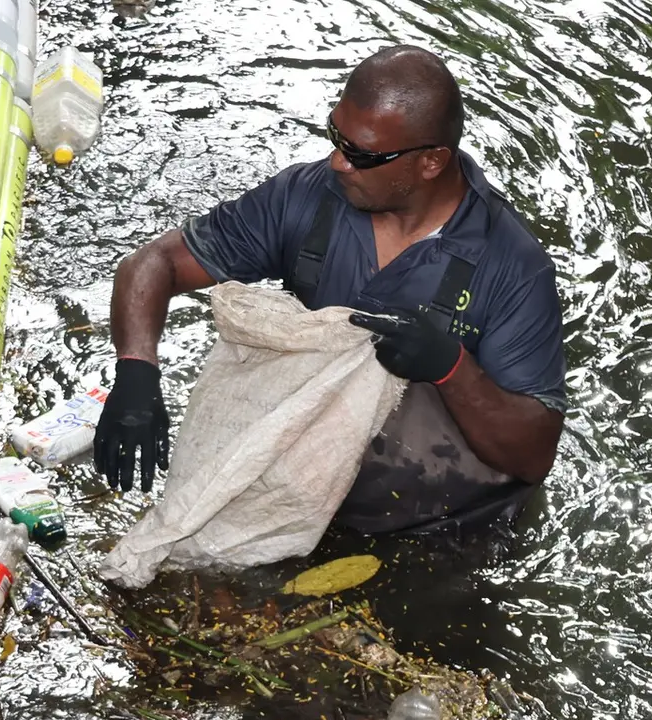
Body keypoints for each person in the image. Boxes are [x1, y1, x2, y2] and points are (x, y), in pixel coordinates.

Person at [95, 45, 566, 533]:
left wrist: (452, 368)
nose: (337, 162)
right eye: (335, 136)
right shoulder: (308, 196)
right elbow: (154, 262)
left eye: (361, 154)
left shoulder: (513, 268)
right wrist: (136, 371)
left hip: (435, 522)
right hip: (301, 485)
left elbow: (533, 457)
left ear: (430, 162)